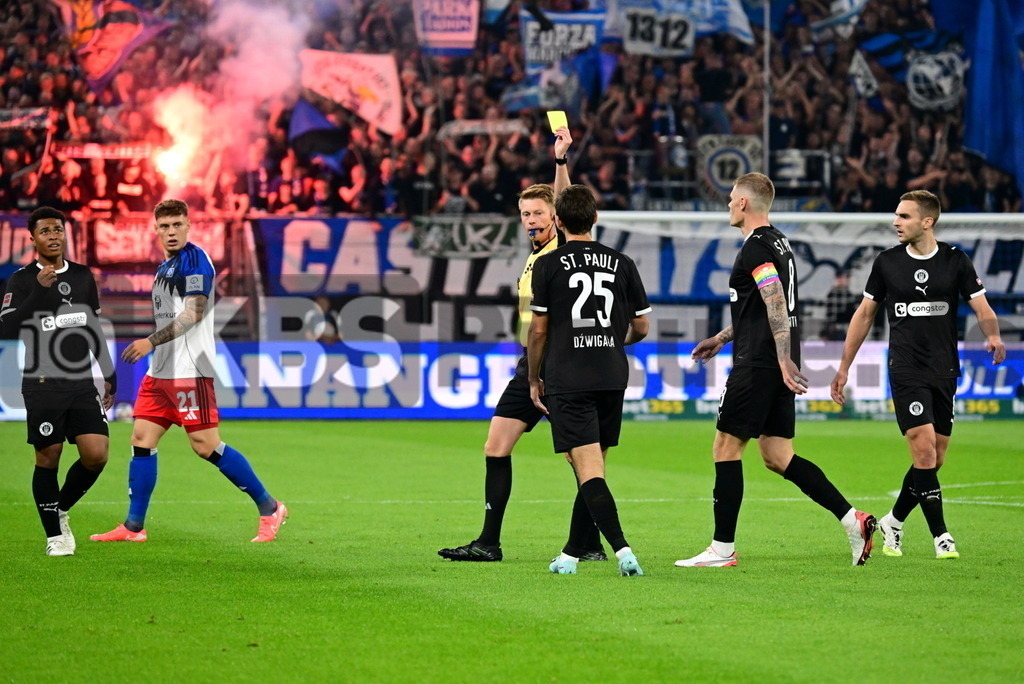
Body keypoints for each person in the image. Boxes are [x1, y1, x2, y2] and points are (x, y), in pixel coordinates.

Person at [676, 173, 877, 569]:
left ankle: (722, 549)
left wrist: (781, 358)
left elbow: (775, 303)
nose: (728, 204)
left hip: (759, 363)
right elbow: (758, 308)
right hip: (773, 360)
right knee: (778, 455)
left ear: (744, 203)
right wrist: (723, 337)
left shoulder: (755, 247)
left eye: (731, 198)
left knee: (725, 448)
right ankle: (852, 520)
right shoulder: (779, 243)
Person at [438, 127, 607, 563]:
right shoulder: (534, 255)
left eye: (538, 213)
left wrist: (560, 160)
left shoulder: (562, 248)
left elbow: (566, 200)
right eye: (525, 214)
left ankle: (588, 543)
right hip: (529, 364)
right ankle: (488, 543)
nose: (531, 220)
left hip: (561, 366)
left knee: (580, 460)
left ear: (557, 217)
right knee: (496, 445)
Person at [90, 199, 287, 543]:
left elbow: (194, 313)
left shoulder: (195, 260)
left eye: (177, 224)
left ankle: (270, 507)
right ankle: (134, 527)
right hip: (160, 372)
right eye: (165, 226)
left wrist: (150, 341)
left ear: (188, 226)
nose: (171, 232)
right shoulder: (164, 266)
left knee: (205, 445)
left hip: (190, 369)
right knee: (141, 440)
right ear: (155, 230)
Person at [830, 190, 1005, 559]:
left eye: (904, 216)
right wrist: (844, 367)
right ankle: (942, 536)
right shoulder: (887, 262)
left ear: (927, 222)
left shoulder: (955, 260)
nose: (896, 222)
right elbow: (864, 315)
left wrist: (993, 335)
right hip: (906, 368)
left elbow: (981, 306)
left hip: (944, 369)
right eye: (897, 215)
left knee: (935, 459)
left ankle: (893, 521)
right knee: (923, 451)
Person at [527, 183, 651, 576]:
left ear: (558, 221)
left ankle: (622, 550)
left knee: (587, 468)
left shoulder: (548, 265)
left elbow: (539, 331)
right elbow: (642, 327)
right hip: (612, 375)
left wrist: (533, 377)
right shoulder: (623, 262)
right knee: (591, 465)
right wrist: (611, 340)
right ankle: (569, 554)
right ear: (595, 218)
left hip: (570, 375)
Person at [0, 207, 116, 556]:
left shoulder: (82, 276)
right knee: (48, 457)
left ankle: (60, 508)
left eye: (58, 229)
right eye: (45, 231)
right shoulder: (21, 280)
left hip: (81, 382)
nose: (53, 235)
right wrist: (38, 291)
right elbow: (8, 329)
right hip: (42, 382)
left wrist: (108, 372)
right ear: (33, 239)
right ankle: (55, 536)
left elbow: (92, 327)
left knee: (96, 455)